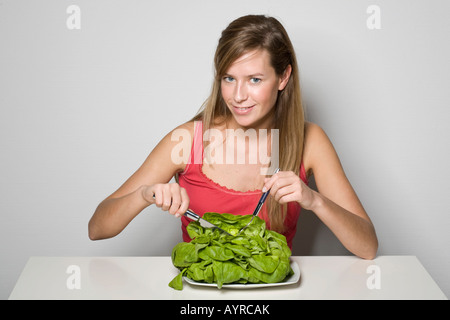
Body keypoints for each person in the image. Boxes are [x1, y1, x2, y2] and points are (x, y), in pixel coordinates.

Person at [88, 15, 378, 260]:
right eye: (229, 78)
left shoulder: (309, 140)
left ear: (283, 77)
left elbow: (367, 247)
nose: (238, 96)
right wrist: (145, 194)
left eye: (254, 79)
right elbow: (97, 228)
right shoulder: (188, 141)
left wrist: (314, 200)